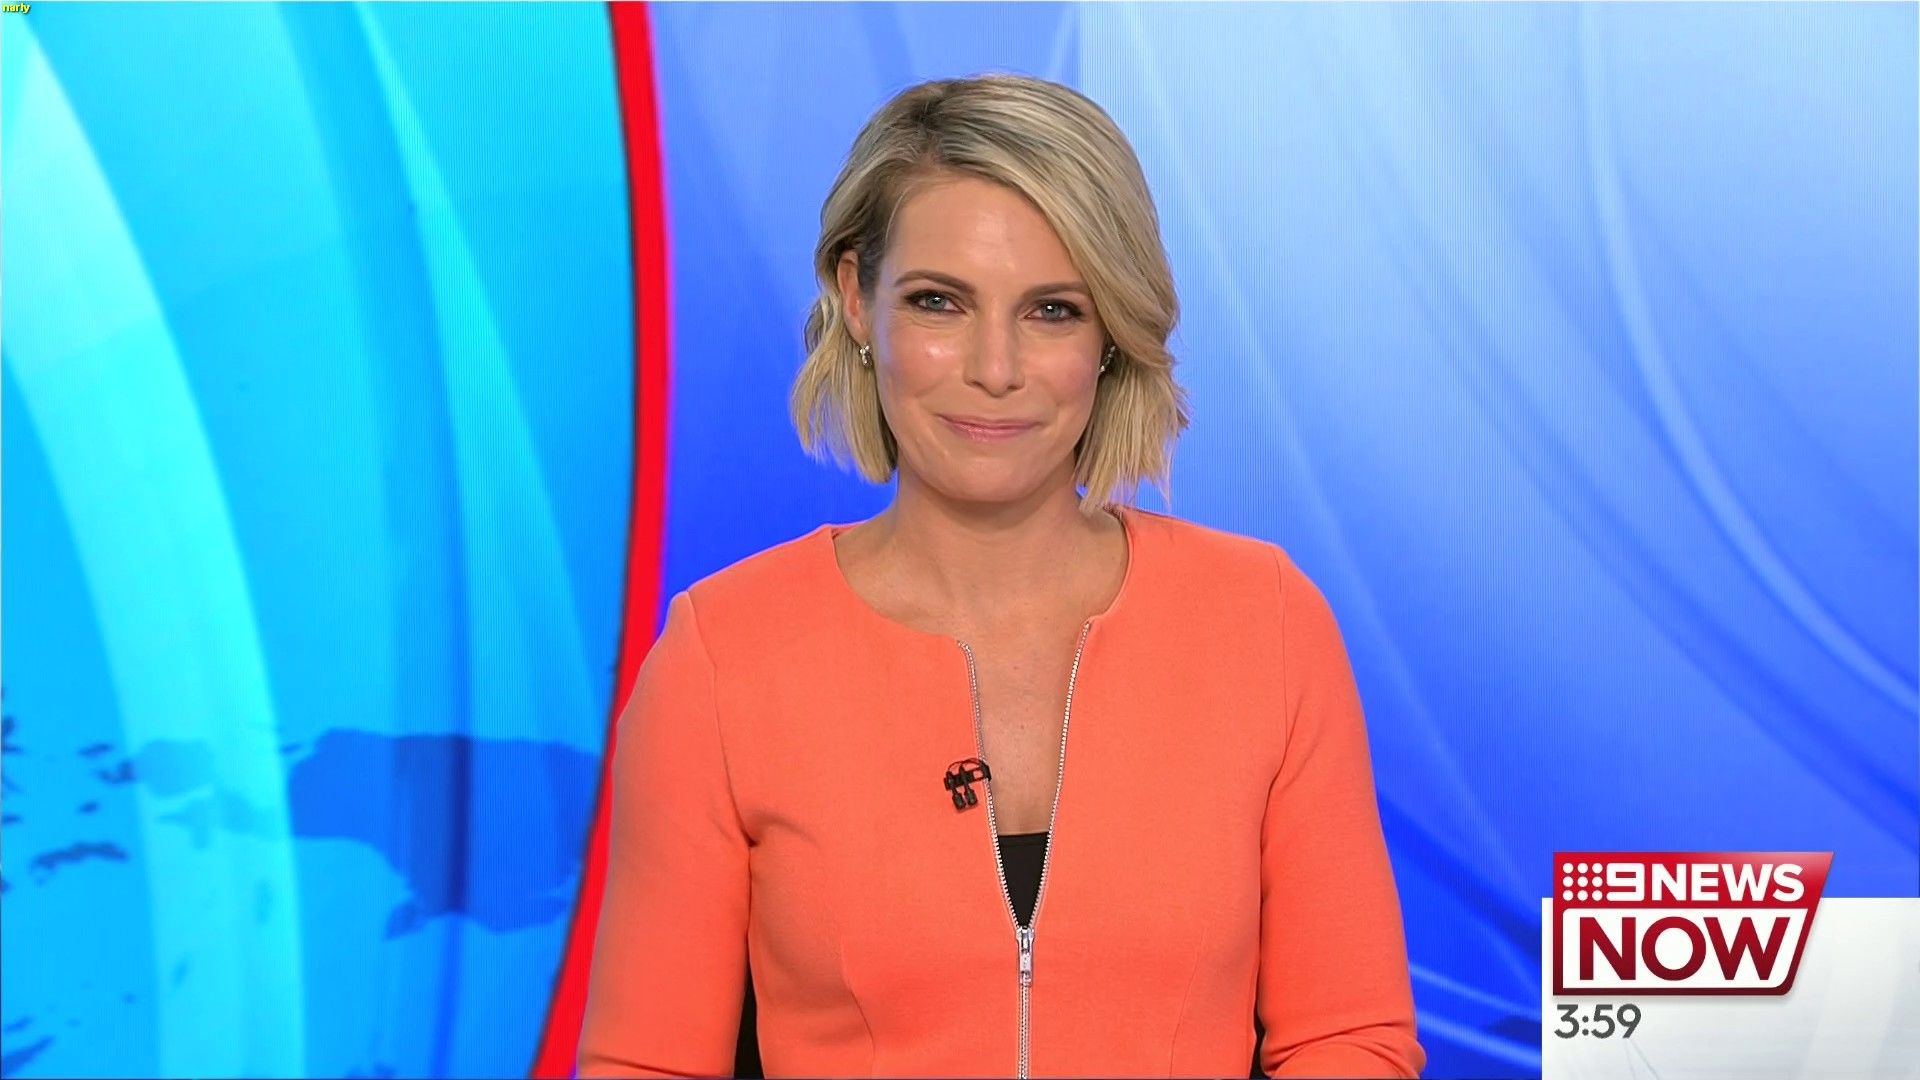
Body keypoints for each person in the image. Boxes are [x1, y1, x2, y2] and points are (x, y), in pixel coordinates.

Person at [577, 73, 1424, 1079]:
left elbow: (1349, 1041)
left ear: (1111, 334)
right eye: (938, 302)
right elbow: (649, 1065)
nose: (994, 368)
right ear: (857, 300)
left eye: (1052, 311)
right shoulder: (724, 657)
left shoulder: (1263, 621)